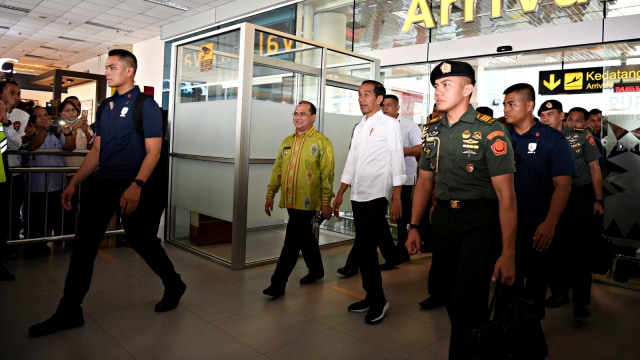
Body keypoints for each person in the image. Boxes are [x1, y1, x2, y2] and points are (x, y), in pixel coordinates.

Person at [28, 49, 186, 337]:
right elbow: (97, 150)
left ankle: (174, 283)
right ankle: (70, 310)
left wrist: (136, 186)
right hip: (101, 184)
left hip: (131, 183)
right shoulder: (106, 106)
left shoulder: (145, 106)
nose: (107, 71)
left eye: (112, 67)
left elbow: (154, 151)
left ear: (129, 71)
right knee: (84, 247)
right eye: (107, 67)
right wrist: (74, 182)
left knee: (142, 241)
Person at [405, 60, 517, 359]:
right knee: (451, 297)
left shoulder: (490, 132)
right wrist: (415, 226)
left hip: (479, 221)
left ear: (467, 89)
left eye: (446, 85)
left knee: (469, 299)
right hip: (443, 219)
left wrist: (508, 252)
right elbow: (425, 183)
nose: (438, 92)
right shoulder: (432, 131)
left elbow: (506, 196)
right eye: (436, 86)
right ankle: (477, 346)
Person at [502, 84, 576, 358]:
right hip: (506, 228)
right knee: (506, 289)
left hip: (538, 227)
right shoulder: (501, 137)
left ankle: (531, 347)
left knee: (533, 293)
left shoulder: (551, 139)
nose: (506, 109)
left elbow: (563, 186)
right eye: (504, 104)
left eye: (511, 104)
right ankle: (508, 339)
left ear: (529, 105)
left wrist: (550, 222)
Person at [332, 80, 406, 325]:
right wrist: (341, 190)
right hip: (358, 194)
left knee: (365, 247)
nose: (361, 98)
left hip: (377, 194)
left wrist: (396, 197)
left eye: (366, 94)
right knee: (364, 249)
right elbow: (352, 159)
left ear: (378, 98)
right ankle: (371, 296)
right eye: (359, 94)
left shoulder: (389, 124)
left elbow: (397, 159)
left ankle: (379, 300)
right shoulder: (360, 126)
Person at [262, 101, 335, 298]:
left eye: (303, 113)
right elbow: (278, 170)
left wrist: (326, 202)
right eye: (295, 113)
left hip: (308, 202)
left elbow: (327, 174)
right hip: (290, 199)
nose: (298, 117)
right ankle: (317, 269)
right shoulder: (287, 141)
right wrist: (271, 194)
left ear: (313, 117)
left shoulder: (322, 142)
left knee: (291, 242)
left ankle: (278, 283)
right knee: (305, 236)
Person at [540, 104, 603, 320]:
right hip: (552, 197)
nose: (545, 119)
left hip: (579, 197)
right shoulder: (540, 138)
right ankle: (559, 293)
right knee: (555, 247)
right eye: (542, 115)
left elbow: (594, 168)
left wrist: (598, 198)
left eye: (550, 115)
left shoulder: (580, 137)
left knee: (580, 251)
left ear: (562, 116)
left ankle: (581, 301)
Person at [22, 106, 75, 258]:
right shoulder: (29, 133)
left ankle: (58, 241)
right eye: (39, 116)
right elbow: (32, 147)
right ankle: (34, 246)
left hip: (57, 183)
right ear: (32, 120)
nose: (44, 118)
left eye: (45, 115)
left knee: (56, 215)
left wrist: (68, 133)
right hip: (36, 185)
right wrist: (43, 131)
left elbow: (70, 147)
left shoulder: (56, 132)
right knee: (36, 218)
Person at [0, 81, 29, 248]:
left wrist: (6, 123)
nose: (17, 98)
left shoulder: (21, 116)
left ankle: (7, 249)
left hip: (10, 172)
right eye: (12, 93)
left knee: (9, 213)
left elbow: (16, 144)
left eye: (18, 94)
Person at [58, 99, 93, 235]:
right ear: (61, 114)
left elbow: (92, 147)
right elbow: (69, 147)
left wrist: (87, 132)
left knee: (84, 206)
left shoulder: (84, 125)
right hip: (68, 171)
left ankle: (82, 234)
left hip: (85, 170)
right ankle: (68, 235)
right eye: (67, 110)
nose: (71, 113)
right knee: (69, 206)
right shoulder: (61, 127)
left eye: (73, 110)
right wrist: (74, 128)